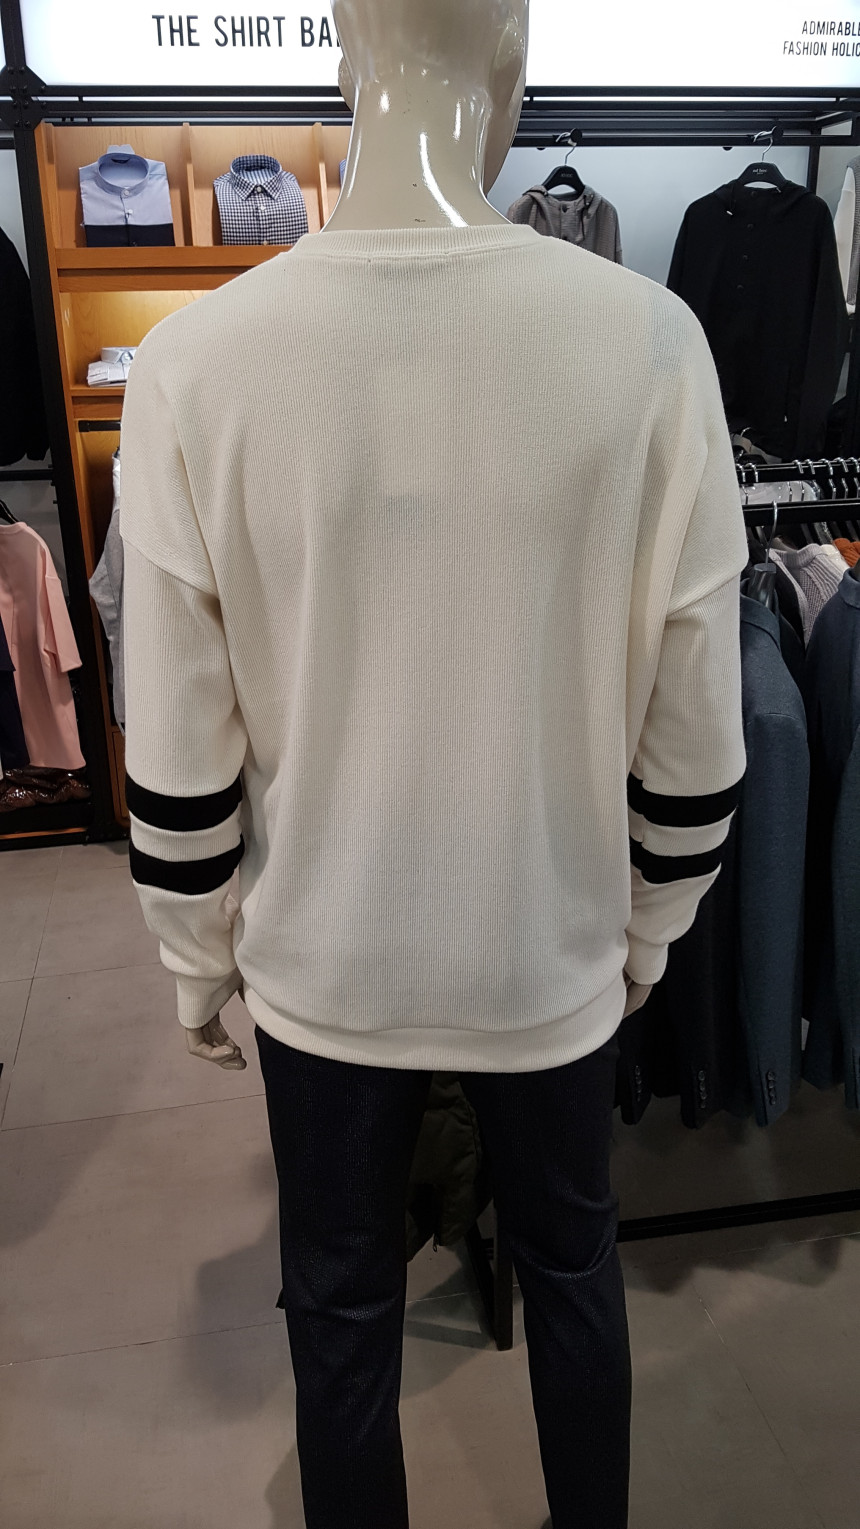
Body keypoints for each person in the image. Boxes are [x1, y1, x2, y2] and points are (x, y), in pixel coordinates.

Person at [119, 2, 747, 1524]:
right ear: (515, 68)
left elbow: (180, 739)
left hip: (324, 967)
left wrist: (197, 955)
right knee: (575, 1269)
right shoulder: (651, 345)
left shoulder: (198, 363)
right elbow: (696, 731)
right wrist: (650, 930)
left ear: (341, 65)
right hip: (553, 952)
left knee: (339, 1306)